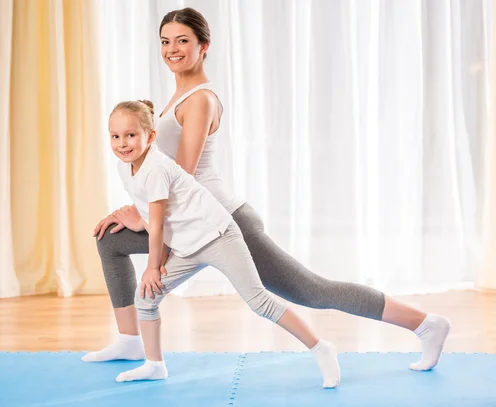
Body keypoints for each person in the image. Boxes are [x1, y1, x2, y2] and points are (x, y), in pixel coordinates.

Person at [84, 7, 451, 373]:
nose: (172, 49)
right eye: (166, 41)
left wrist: (142, 213)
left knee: (311, 291)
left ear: (203, 46)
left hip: (221, 219)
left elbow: (184, 174)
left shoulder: (199, 99)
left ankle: (425, 324)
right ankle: (132, 341)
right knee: (110, 241)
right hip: (186, 218)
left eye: (183, 41)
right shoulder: (178, 98)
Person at [105, 99, 341, 387]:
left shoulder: (156, 167)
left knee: (259, 301)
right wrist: (138, 223)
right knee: (146, 298)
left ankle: (321, 348)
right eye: (115, 136)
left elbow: (157, 225)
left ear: (150, 137)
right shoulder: (124, 167)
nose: (122, 143)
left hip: (217, 235)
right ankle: (154, 365)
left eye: (131, 135)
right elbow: (154, 214)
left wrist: (153, 267)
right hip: (187, 245)